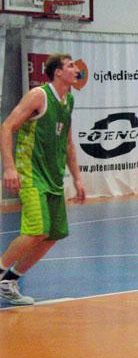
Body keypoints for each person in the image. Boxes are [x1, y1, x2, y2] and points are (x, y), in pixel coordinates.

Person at [0, 54, 86, 305]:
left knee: (52, 235)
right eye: (70, 65)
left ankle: (9, 281)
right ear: (58, 72)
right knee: (37, 229)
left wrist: (78, 179)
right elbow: (6, 127)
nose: (76, 69)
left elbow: (68, 144)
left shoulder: (68, 100)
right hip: (30, 173)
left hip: (53, 176)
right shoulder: (39, 95)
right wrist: (9, 168)